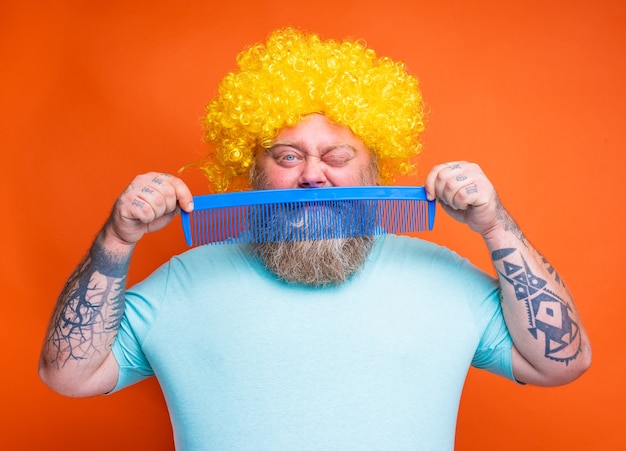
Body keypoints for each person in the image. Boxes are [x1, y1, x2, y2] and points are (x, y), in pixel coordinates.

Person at [39, 28, 591, 450]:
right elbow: (68, 376)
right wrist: (117, 238)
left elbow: (560, 363)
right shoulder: (182, 282)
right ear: (252, 168)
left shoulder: (443, 277)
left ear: (376, 169)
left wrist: (494, 226)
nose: (311, 175)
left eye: (336, 156)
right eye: (287, 156)